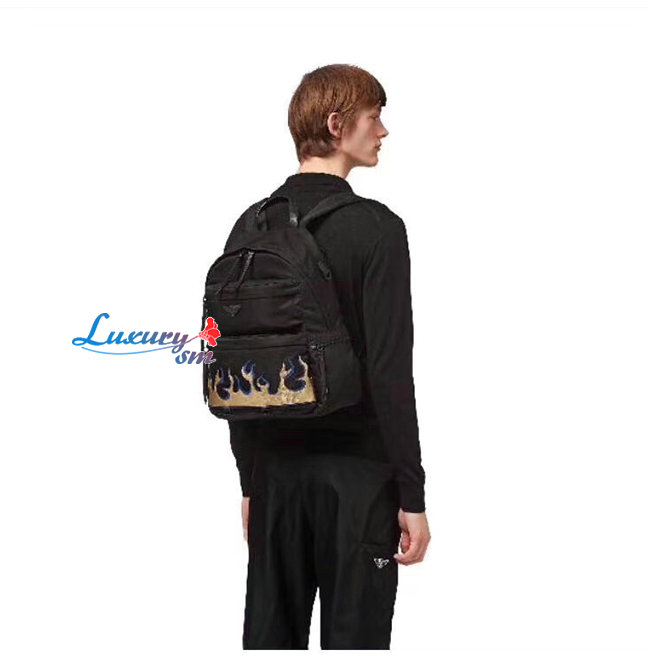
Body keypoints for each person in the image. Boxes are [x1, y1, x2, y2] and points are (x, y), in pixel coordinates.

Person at [227, 64, 430, 650]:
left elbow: (236, 365)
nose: (383, 131)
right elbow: (390, 374)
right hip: (358, 480)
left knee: (270, 645)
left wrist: (250, 482)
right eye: (374, 117)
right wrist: (411, 495)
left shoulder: (249, 226)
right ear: (338, 125)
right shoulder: (377, 229)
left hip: (275, 477)